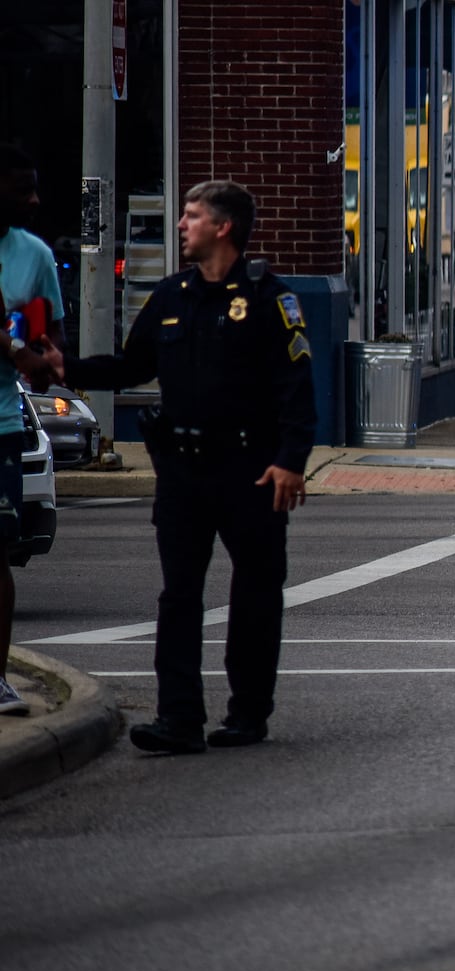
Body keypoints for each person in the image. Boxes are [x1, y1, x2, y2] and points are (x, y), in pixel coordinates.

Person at [56, 180, 316, 753]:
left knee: (255, 593)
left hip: (250, 470)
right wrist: (64, 368)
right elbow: (130, 366)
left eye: (192, 216)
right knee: (178, 597)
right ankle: (179, 719)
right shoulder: (172, 296)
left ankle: (247, 714)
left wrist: (291, 461)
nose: (181, 224)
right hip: (183, 473)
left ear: (222, 228)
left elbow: (296, 386)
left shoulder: (271, 300)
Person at [0, 144, 68, 716]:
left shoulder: (34, 257)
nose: (35, 200)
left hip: (2, 425)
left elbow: (46, 339)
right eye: (23, 188)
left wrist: (42, 355)